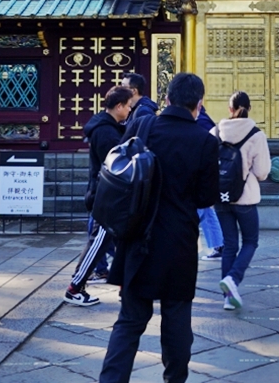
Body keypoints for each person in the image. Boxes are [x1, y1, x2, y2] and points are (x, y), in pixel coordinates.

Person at [100, 72, 220, 383]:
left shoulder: (145, 124)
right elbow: (207, 197)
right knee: (177, 317)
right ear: (198, 104)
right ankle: (175, 379)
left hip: (139, 233)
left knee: (129, 320)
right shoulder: (205, 142)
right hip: (179, 240)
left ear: (167, 99)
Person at [64, 85, 136, 307]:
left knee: (115, 242)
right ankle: (74, 287)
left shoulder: (109, 126)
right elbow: (115, 165)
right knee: (99, 242)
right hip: (107, 195)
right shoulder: (105, 132)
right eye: (128, 106)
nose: (130, 111)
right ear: (118, 106)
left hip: (110, 195)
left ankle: (126, 285)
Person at [211, 91, 270, 311]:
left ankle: (228, 297)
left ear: (229, 108)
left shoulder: (215, 132)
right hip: (245, 199)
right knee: (250, 241)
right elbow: (263, 172)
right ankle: (233, 279)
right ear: (249, 108)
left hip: (220, 197)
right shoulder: (256, 135)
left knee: (229, 245)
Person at [194, 104, 224, 260]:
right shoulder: (204, 121)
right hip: (204, 175)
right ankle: (217, 244)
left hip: (201, 175)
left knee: (205, 212)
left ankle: (217, 245)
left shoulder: (202, 122)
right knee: (205, 212)